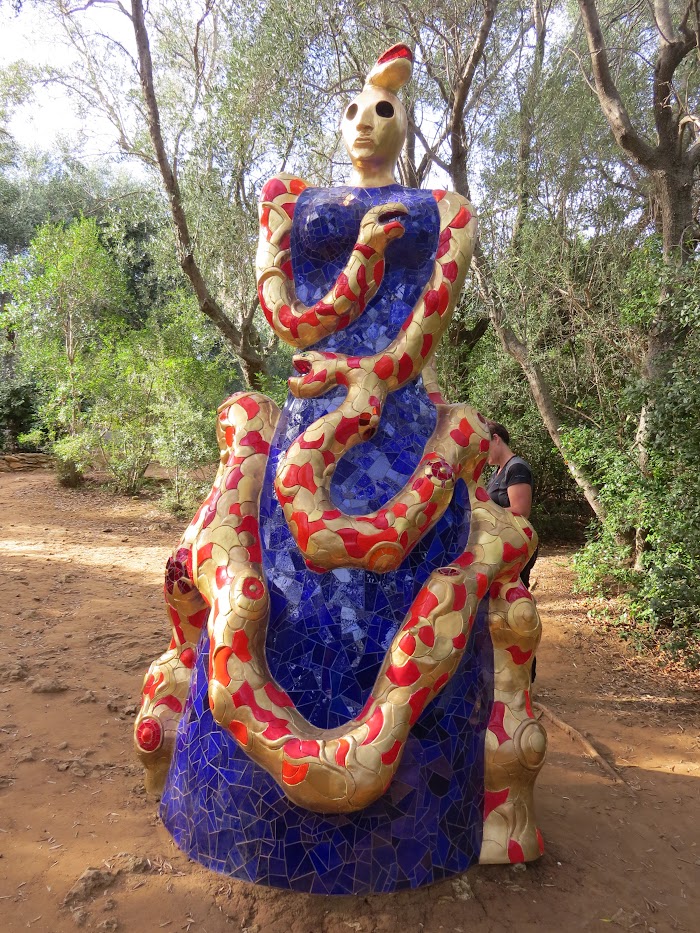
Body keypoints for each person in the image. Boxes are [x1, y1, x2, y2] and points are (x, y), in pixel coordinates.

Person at [486, 422, 538, 589]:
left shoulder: (516, 468)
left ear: (496, 439)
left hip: (515, 546)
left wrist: (482, 514)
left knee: (513, 598)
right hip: (500, 546)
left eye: (483, 446)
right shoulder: (497, 472)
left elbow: (521, 510)